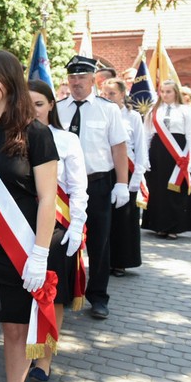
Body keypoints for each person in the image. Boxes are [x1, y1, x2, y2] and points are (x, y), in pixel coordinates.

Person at [0, 51, 57, 382]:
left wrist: (40, 253)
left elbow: (48, 198)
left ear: (10, 82)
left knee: (14, 329)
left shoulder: (35, 133)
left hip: (16, 245)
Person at [56, 55, 129, 320]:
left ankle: (98, 297)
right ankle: (63, 293)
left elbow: (118, 148)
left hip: (98, 183)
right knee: (63, 241)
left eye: (82, 77)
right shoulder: (58, 108)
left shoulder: (108, 109)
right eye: (72, 77)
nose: (76, 82)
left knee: (99, 242)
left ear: (92, 80)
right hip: (63, 187)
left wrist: (122, 183)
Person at [26, 79, 88, 382]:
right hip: (21, 225)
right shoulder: (12, 138)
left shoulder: (66, 140)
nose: (33, 111)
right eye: (27, 105)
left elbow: (78, 188)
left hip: (56, 228)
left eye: (39, 104)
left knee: (52, 294)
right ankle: (23, 352)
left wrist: (76, 225)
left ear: (52, 104)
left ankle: (45, 359)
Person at [142, 80, 191, 239]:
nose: (166, 94)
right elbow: (146, 135)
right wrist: (145, 157)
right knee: (158, 189)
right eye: (163, 91)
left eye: (169, 91)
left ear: (176, 92)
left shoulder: (185, 111)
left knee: (175, 190)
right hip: (157, 153)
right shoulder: (153, 111)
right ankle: (158, 225)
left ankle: (175, 226)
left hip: (178, 154)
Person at [101, 78, 146, 276]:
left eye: (112, 93)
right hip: (105, 170)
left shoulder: (133, 117)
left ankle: (120, 261)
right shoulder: (100, 113)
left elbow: (141, 146)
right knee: (105, 218)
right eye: (105, 93)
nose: (108, 97)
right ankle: (103, 259)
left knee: (123, 219)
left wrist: (137, 177)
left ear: (122, 94)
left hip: (127, 171)